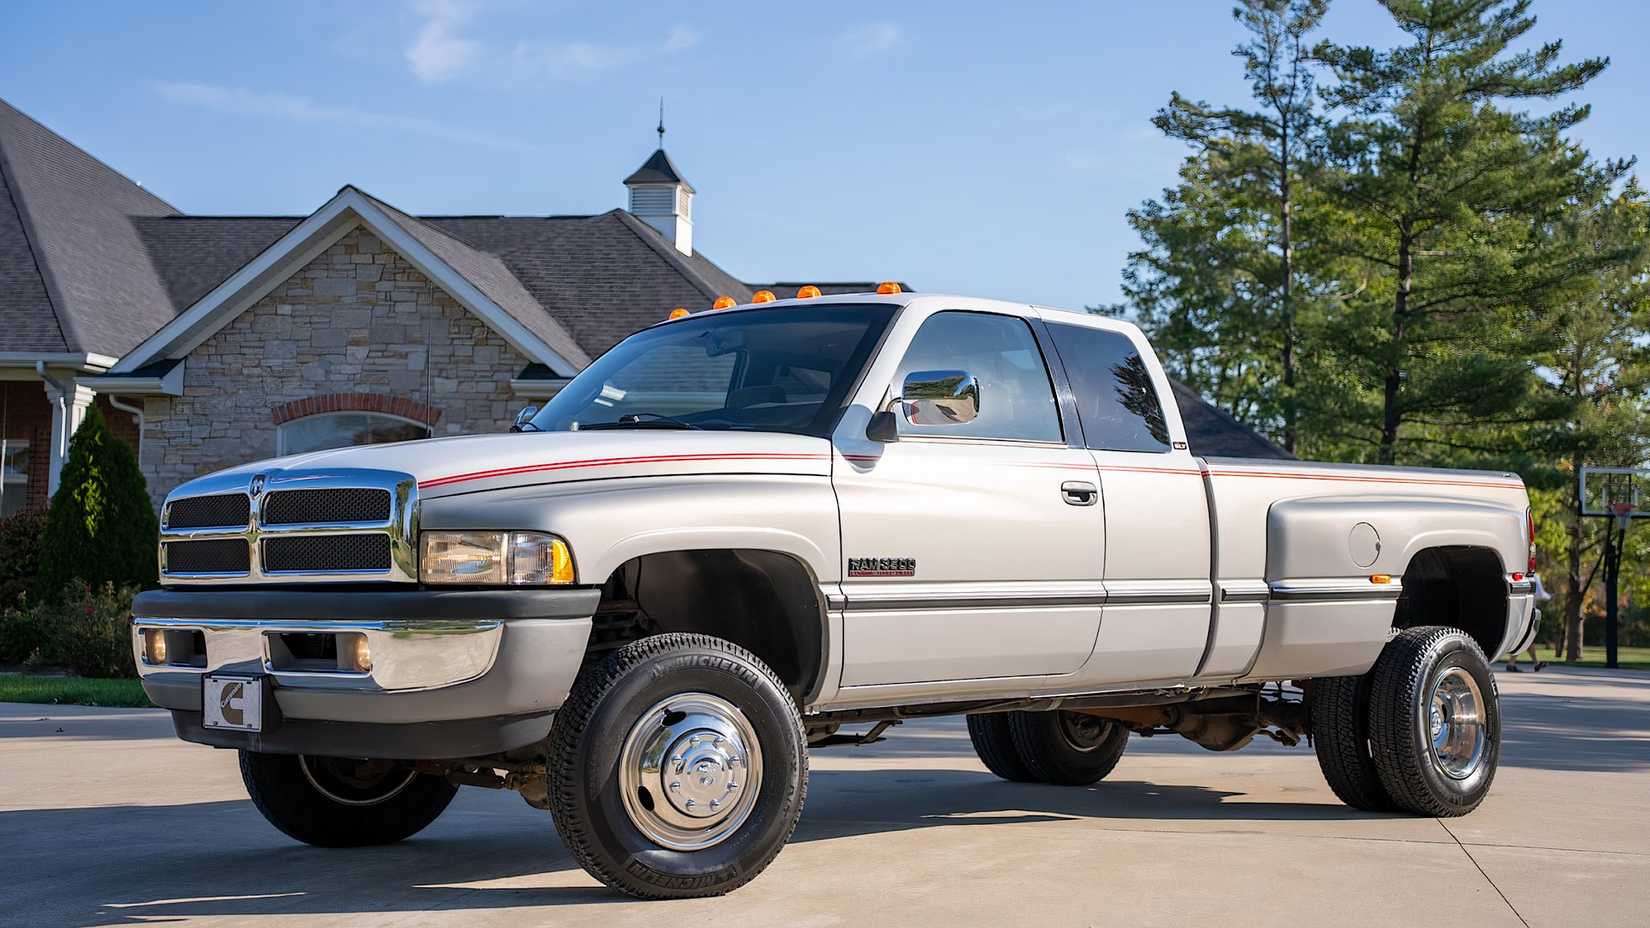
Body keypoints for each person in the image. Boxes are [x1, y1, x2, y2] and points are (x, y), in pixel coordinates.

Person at [1506, 573, 1553, 672]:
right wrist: (1550, 597)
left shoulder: (1518, 573)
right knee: (1525, 638)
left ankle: (1534, 663)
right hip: (1529, 611)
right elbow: (1539, 594)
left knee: (1526, 639)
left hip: (1518, 610)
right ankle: (1512, 663)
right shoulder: (1534, 576)